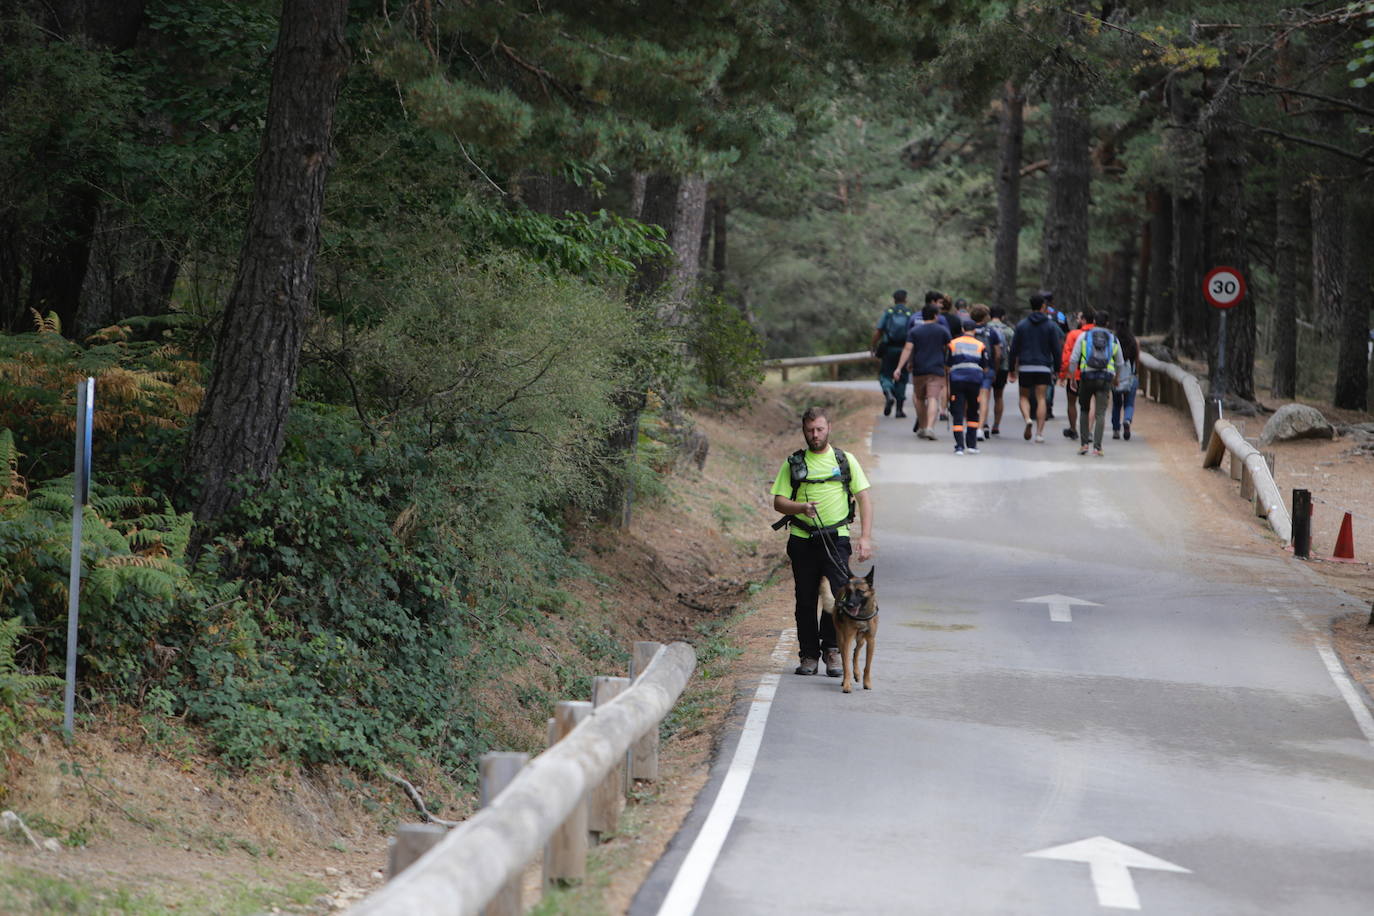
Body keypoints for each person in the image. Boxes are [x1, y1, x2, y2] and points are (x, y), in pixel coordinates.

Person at [770, 407, 873, 676]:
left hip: (836, 539)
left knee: (838, 596)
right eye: (810, 430)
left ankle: (832, 650)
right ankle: (808, 656)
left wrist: (864, 537)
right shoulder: (793, 463)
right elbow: (779, 503)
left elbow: (863, 498)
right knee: (805, 599)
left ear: (829, 427)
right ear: (803, 430)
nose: (815, 435)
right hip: (802, 539)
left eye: (819, 429)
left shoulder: (844, 460)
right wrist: (801, 508)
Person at [1067, 313, 1124, 456]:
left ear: (1093, 322)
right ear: (1107, 323)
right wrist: (1116, 378)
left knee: (1085, 410)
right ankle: (1097, 447)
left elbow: (1073, 359)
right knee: (1100, 413)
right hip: (1105, 378)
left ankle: (1084, 444)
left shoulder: (1084, 337)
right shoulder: (1113, 339)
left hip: (1087, 376)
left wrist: (1073, 377)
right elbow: (1120, 362)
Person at [894, 303, 951, 439]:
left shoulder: (915, 331)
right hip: (937, 369)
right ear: (936, 316)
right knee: (933, 398)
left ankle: (923, 426)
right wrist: (949, 364)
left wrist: (899, 368)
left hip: (919, 369)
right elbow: (950, 348)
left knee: (919, 398)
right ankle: (930, 428)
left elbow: (908, 349)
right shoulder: (942, 330)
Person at [1010, 293, 1061, 442]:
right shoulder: (1051, 326)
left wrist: (1012, 369)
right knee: (1041, 399)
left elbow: (1014, 349)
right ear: (1043, 306)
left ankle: (1027, 418)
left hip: (1026, 366)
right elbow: (1056, 350)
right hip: (1044, 366)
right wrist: (1057, 369)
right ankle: (1039, 433)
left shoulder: (1021, 325)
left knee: (1024, 396)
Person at [946, 317, 990, 455]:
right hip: (974, 381)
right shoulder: (980, 345)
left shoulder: (953, 343)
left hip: (957, 381)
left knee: (958, 411)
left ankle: (959, 446)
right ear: (975, 330)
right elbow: (985, 367)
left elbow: (947, 364)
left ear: (963, 330)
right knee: (972, 411)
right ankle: (972, 445)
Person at [871, 289, 914, 418]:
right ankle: (899, 410)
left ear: (894, 300)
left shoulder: (889, 313)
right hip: (904, 350)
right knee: (902, 377)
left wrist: (873, 345)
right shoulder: (909, 314)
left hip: (889, 349)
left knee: (885, 374)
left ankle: (888, 392)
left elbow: (879, 330)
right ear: (905, 300)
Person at [1058, 307, 1099, 440]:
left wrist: (1063, 375)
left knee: (1072, 402)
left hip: (1075, 373)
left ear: (1083, 320)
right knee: (1091, 401)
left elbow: (1067, 356)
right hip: (1094, 372)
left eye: (1080, 318)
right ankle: (1089, 430)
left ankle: (1073, 429)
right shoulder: (1101, 334)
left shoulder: (1074, 334)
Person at [970, 304, 1003, 442]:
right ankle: (980, 428)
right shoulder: (991, 332)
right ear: (985, 317)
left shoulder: (968, 330)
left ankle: (970, 424)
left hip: (970, 367)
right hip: (987, 368)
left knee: (970, 397)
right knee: (984, 398)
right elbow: (997, 354)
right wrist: (994, 368)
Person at [986, 305, 1016, 435]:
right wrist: (1012, 369)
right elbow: (1013, 351)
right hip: (1003, 367)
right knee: (998, 396)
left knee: (984, 395)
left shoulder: (985, 328)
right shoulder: (1009, 331)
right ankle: (996, 425)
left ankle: (984, 422)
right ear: (1003, 316)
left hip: (986, 366)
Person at [1110, 319, 1140, 440]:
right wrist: (1136, 373)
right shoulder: (1134, 342)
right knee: (1129, 403)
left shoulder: (1113, 342)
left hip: (1116, 377)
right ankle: (1127, 420)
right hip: (1130, 376)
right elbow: (1137, 359)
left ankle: (1116, 429)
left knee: (1116, 404)